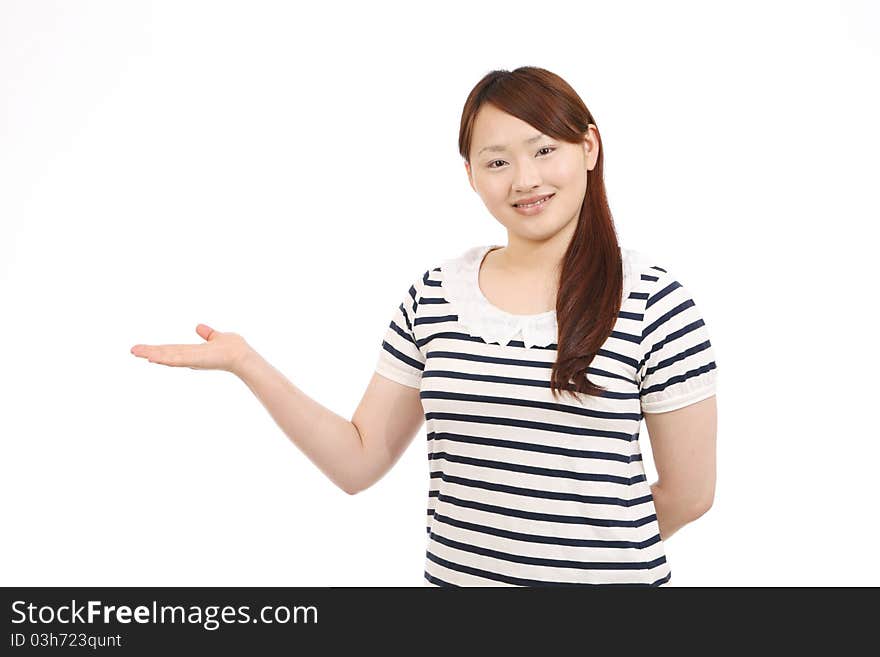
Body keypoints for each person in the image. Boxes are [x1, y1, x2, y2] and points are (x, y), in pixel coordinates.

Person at [131, 66, 718, 587]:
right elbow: (358, 462)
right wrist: (246, 364)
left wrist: (581, 557)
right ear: (470, 174)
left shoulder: (653, 302)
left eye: (544, 150)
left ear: (588, 146)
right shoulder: (437, 296)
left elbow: (689, 496)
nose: (523, 179)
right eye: (496, 161)